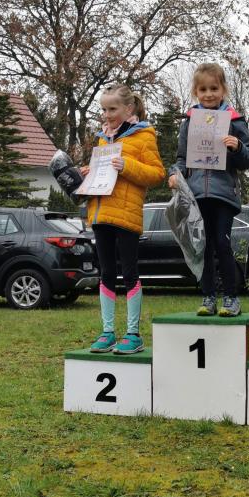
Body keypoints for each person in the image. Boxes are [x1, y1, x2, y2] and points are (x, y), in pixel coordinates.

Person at [168, 63, 249, 317]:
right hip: (197, 196)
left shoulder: (234, 120)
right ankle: (208, 297)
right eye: (203, 89)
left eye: (214, 88)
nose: (208, 94)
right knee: (202, 246)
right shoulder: (189, 122)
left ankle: (231, 297)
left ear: (223, 89)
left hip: (223, 195)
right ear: (196, 92)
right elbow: (181, 158)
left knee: (222, 243)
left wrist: (237, 147)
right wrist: (174, 174)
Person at [84, 85, 165, 354]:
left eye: (112, 109)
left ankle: (133, 334)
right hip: (101, 213)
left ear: (128, 108)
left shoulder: (144, 135)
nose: (107, 115)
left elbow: (157, 173)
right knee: (106, 273)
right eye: (103, 109)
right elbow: (102, 173)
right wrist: (88, 172)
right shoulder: (102, 138)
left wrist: (127, 166)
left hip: (126, 215)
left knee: (129, 272)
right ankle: (107, 332)